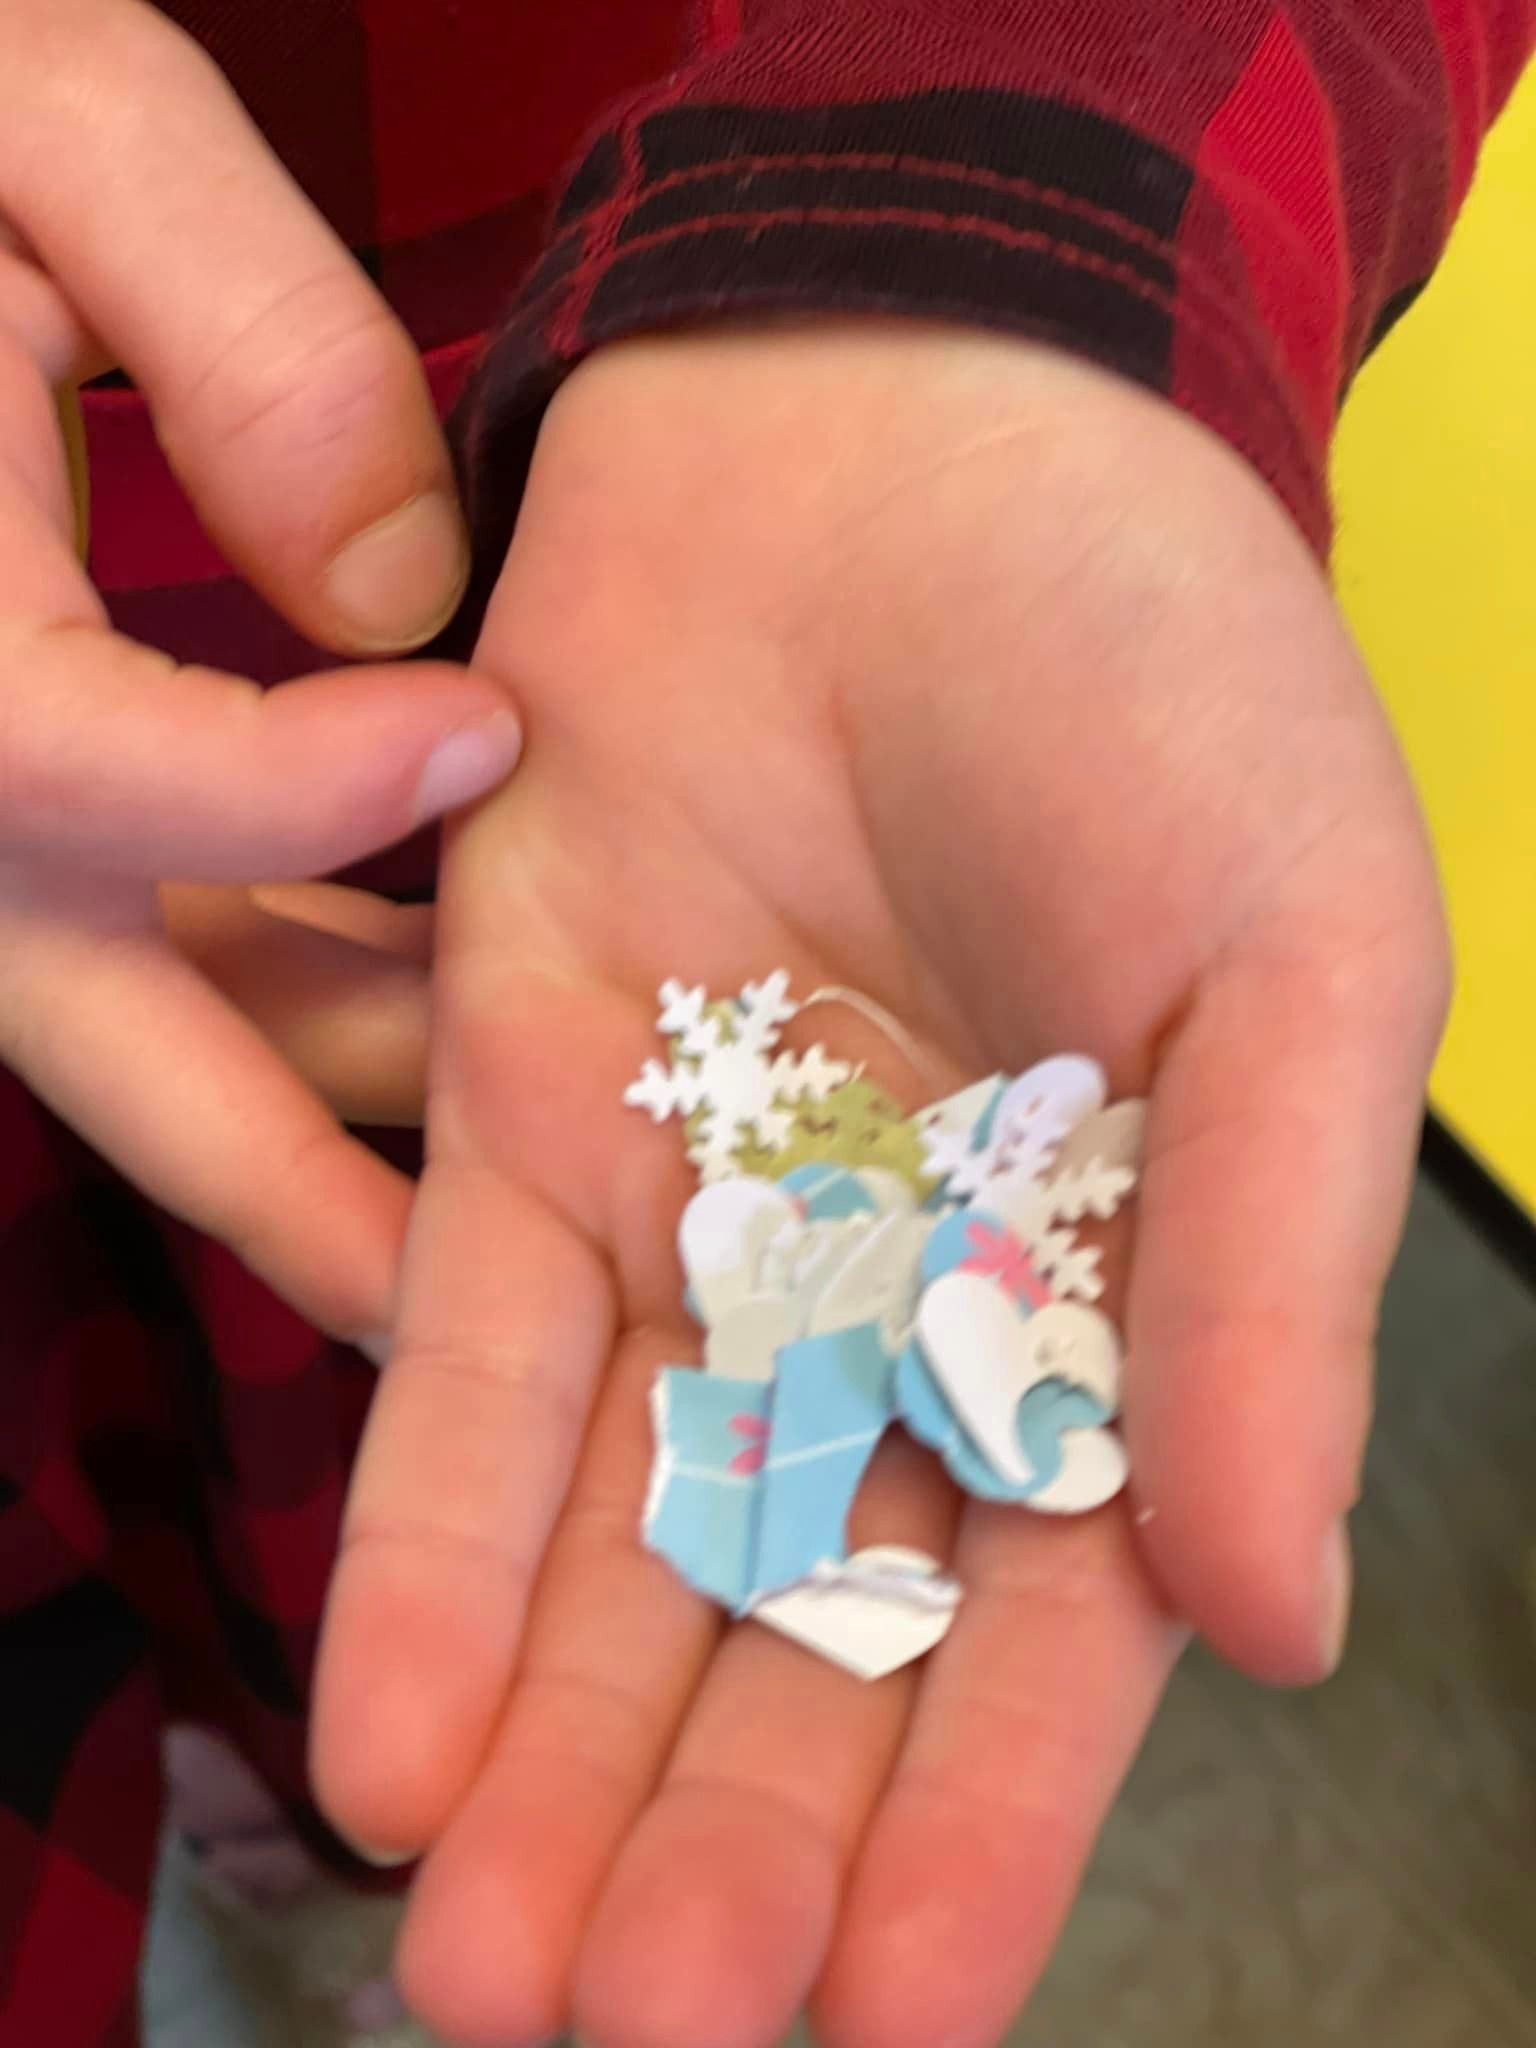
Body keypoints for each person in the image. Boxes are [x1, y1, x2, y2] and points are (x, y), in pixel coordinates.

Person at [1, 3, 1530, 2045]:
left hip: (643, 386)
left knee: (370, 1409)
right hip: (197, 672)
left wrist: (978, 228)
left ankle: (281, 1780)